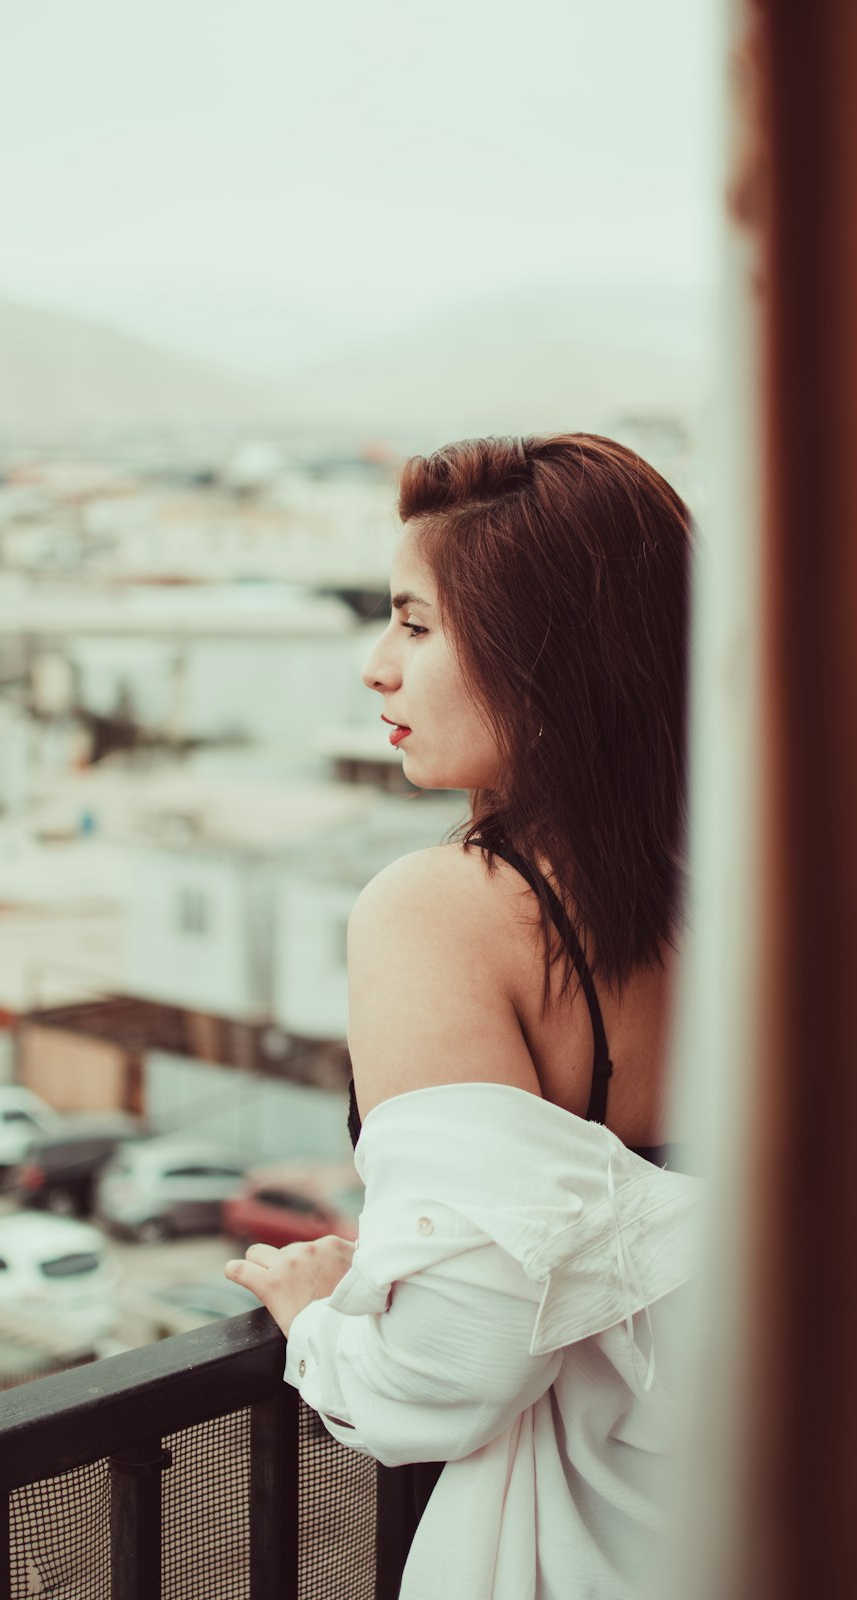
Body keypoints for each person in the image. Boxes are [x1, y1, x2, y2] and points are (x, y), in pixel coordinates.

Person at [225, 434, 700, 1600]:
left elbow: (445, 1373)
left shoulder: (442, 910)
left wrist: (320, 1322)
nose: (375, 666)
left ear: (551, 659)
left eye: (415, 623)